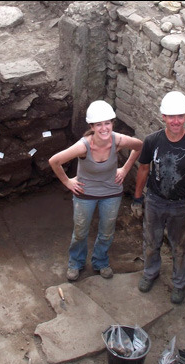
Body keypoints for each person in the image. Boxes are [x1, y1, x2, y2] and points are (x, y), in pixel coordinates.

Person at [49, 100, 143, 281]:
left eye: (107, 123)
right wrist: (68, 182)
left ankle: (100, 261)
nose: (104, 128)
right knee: (81, 231)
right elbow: (55, 161)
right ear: (92, 126)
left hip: (111, 192)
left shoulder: (117, 140)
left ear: (112, 123)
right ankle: (76, 263)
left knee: (107, 231)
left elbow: (139, 145)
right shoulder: (84, 146)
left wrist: (124, 169)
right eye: (99, 124)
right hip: (85, 194)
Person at [131, 91, 185, 304]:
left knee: (180, 247)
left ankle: (179, 284)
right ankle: (150, 273)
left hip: (181, 205)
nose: (175, 121)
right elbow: (144, 168)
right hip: (155, 200)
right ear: (163, 116)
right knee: (151, 241)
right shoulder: (153, 141)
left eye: (180, 116)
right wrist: (138, 198)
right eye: (171, 116)